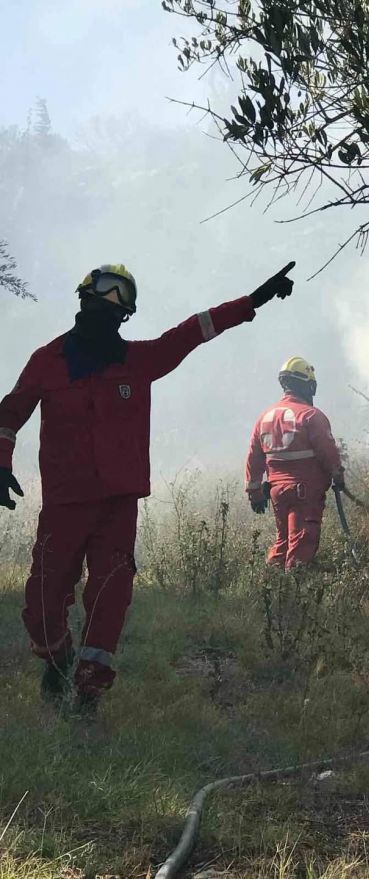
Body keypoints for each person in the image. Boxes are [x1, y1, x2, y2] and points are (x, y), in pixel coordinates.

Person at [0, 261, 296, 712]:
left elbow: (192, 332)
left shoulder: (139, 361)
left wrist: (251, 302)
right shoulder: (48, 361)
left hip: (117, 506)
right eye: (106, 291)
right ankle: (57, 659)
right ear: (84, 297)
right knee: (42, 600)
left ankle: (89, 691)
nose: (111, 302)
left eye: (121, 297)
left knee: (110, 595)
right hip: (65, 503)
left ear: (127, 313)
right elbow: (9, 413)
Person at [245, 357, 344, 570]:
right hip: (305, 492)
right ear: (306, 385)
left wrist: (254, 492)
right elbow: (327, 451)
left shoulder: (264, 417)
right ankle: (294, 585)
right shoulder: (311, 415)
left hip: (277, 492)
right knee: (302, 544)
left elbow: (254, 457)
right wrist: (337, 474)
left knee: (283, 541)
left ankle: (271, 581)